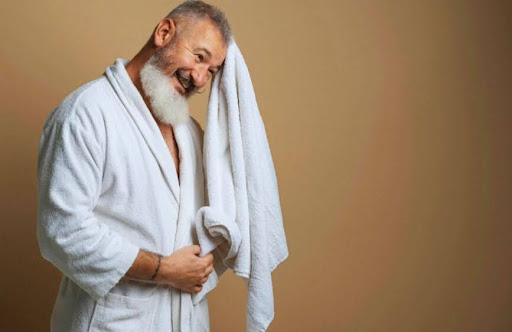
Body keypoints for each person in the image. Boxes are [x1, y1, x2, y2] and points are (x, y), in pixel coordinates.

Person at [36, 1, 231, 331]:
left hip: (183, 319)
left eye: (211, 71)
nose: (199, 79)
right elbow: (62, 231)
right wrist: (165, 269)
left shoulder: (190, 132)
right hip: (112, 320)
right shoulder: (85, 114)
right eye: (199, 57)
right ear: (164, 32)